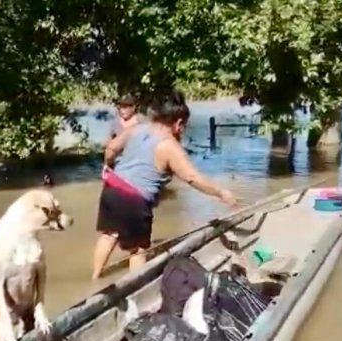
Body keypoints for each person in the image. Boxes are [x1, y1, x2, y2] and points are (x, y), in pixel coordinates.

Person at [91, 90, 238, 280]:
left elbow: (111, 148)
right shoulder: (169, 146)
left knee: (109, 235)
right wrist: (221, 193)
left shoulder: (138, 129)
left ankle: (95, 279)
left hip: (111, 188)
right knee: (139, 249)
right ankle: (136, 286)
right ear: (178, 123)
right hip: (134, 199)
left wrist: (108, 165)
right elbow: (192, 177)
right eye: (184, 125)